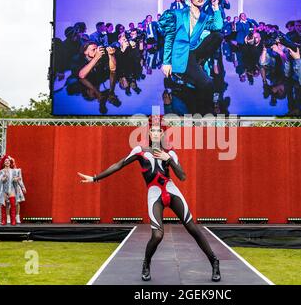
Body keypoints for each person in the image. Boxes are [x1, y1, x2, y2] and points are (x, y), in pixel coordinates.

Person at [77, 116, 221, 282]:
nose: (155, 133)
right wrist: (95, 178)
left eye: (158, 130)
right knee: (158, 235)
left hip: (171, 190)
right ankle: (146, 263)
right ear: (149, 132)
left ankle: (214, 262)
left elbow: (182, 177)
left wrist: (169, 161)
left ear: (162, 134)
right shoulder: (140, 150)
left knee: (193, 228)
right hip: (154, 194)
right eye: (152, 130)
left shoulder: (170, 152)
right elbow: (119, 164)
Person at [159, 0, 224, 115]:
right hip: (181, 54)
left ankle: (199, 61)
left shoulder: (204, 17)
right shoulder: (178, 14)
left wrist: (216, 7)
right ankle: (202, 115)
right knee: (207, 83)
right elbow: (169, 38)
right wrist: (166, 62)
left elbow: (218, 26)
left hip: (194, 51)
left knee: (218, 35)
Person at [0, 155, 26, 226]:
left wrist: (23, 187)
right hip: (3, 190)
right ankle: (4, 220)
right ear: (4, 163)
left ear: (10, 163)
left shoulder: (14, 171)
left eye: (8, 161)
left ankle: (13, 220)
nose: (7, 162)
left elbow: (18, 179)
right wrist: (2, 179)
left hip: (11, 189)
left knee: (13, 204)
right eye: (5, 161)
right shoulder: (1, 171)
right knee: (4, 205)